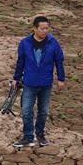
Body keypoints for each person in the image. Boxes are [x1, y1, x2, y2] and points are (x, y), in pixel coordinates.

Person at [11, 16, 66, 148]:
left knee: (43, 111)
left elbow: (59, 61)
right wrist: (16, 78)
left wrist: (61, 78)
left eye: (47, 28)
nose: (45, 31)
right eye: (42, 28)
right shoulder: (24, 43)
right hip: (29, 83)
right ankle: (28, 137)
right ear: (34, 28)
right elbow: (20, 62)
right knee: (26, 111)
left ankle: (40, 135)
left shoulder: (53, 42)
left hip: (46, 83)